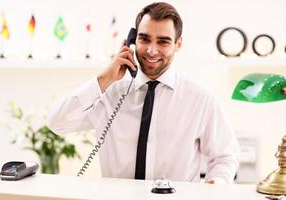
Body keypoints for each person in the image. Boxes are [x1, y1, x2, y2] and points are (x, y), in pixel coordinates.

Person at [47, 2, 239, 183]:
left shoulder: (201, 99)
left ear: (178, 44)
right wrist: (104, 78)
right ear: (131, 40)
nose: (151, 51)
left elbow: (224, 156)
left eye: (163, 42)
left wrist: (216, 184)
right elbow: (57, 123)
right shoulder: (110, 93)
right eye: (144, 39)